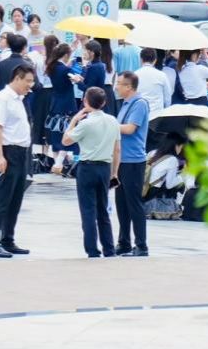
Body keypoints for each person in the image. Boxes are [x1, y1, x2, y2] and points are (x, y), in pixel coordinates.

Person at [62, 87, 121, 257]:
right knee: (103, 209)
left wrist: (74, 120)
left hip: (87, 167)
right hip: (105, 167)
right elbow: (117, 149)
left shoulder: (86, 123)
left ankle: (92, 250)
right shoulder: (113, 121)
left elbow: (65, 140)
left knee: (88, 210)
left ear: (85, 102)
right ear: (104, 102)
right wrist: (114, 172)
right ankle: (109, 248)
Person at [0, 65, 35, 258]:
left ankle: (8, 239)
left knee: (15, 199)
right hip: (8, 151)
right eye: (28, 81)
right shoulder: (3, 98)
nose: (30, 85)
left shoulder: (19, 100)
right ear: (17, 78)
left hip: (22, 152)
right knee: (2, 199)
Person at [114, 72, 150, 256]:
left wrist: (108, 124)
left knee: (134, 203)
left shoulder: (139, 104)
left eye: (119, 84)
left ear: (129, 87)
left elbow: (129, 129)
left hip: (134, 161)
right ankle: (124, 242)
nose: (116, 87)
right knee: (121, 203)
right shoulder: (125, 104)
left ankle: (141, 244)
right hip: (122, 160)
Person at [45, 43, 80, 175]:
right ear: (66, 55)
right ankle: (59, 162)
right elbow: (77, 78)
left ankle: (57, 162)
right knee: (68, 132)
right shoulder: (65, 70)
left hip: (55, 103)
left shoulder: (52, 67)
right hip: (67, 104)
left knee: (55, 133)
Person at [145, 135, 186, 219]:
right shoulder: (172, 159)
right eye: (181, 147)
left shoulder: (152, 152)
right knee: (179, 184)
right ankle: (168, 208)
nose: (180, 150)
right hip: (152, 192)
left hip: (142, 188)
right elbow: (169, 185)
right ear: (176, 146)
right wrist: (183, 176)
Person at [134, 48, 172, 114]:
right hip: (157, 113)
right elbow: (167, 97)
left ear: (141, 59)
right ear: (155, 60)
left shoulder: (135, 75)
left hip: (139, 113)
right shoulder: (162, 75)